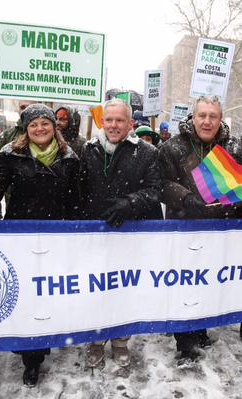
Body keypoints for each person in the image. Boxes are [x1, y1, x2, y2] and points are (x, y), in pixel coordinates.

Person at [0, 104, 80, 386]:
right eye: (33, 125)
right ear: (26, 129)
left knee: (48, 292)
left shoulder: (70, 158)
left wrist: (77, 232)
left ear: (54, 127)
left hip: (56, 235)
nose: (39, 129)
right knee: (27, 295)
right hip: (21, 235)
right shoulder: (12, 156)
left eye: (44, 124)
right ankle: (31, 357)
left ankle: (46, 336)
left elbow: (75, 200)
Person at [158, 95, 242, 364]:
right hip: (184, 226)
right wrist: (186, 198)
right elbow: (161, 184)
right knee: (185, 283)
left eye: (213, 116)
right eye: (202, 115)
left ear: (221, 118)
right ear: (193, 117)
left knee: (209, 281)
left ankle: (200, 328)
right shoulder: (172, 147)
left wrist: (239, 200)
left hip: (221, 229)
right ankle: (185, 342)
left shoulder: (238, 149)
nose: (207, 121)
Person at [80, 99, 162, 369]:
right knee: (95, 289)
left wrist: (130, 204)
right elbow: (76, 192)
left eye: (120, 121)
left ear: (130, 124)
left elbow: (154, 191)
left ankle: (120, 340)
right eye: (109, 120)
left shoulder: (147, 152)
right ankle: (95, 339)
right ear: (103, 122)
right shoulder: (87, 150)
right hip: (95, 234)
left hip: (130, 233)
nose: (114, 126)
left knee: (123, 289)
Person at [0, 100, 34, 219]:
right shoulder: (7, 136)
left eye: (29, 106)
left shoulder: (47, 134)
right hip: (13, 198)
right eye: (22, 107)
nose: (25, 110)